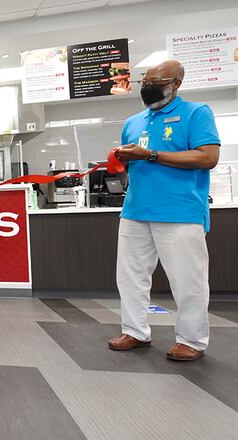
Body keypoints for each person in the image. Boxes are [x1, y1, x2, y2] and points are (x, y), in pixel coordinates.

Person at [108, 60, 221, 361]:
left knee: (187, 279)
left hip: (180, 212)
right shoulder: (133, 122)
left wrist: (153, 155)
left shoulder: (197, 113)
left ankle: (192, 339)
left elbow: (208, 157)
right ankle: (134, 330)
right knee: (130, 276)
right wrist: (121, 162)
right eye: (145, 80)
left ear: (177, 84)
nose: (148, 86)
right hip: (135, 210)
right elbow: (127, 168)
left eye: (157, 80)